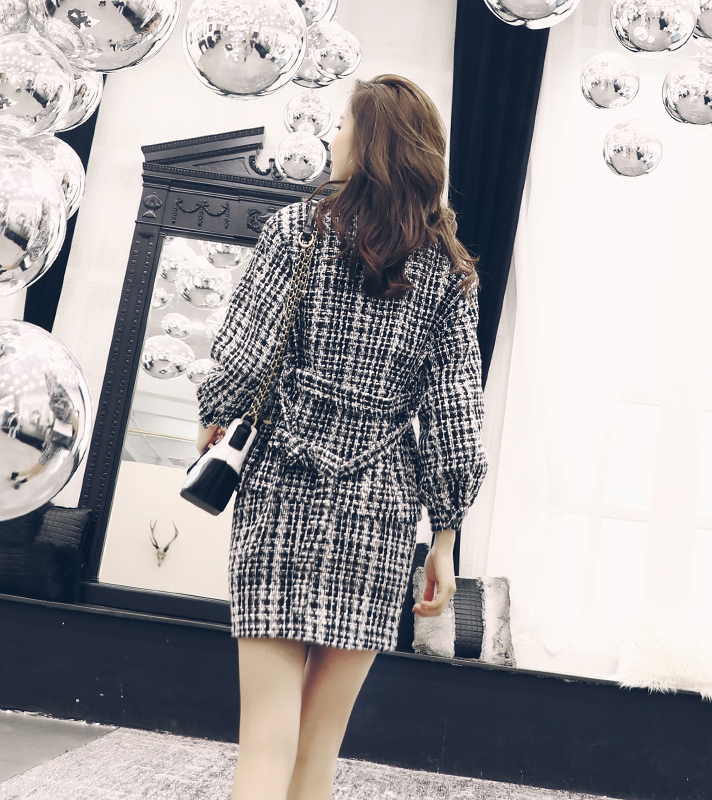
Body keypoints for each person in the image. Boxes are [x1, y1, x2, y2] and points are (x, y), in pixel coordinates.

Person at [195, 74, 489, 800]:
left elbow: (243, 360)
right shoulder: (449, 272)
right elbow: (455, 415)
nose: (331, 137)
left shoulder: (295, 232)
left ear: (371, 144)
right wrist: (445, 538)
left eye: (341, 126)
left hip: (281, 486)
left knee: (267, 740)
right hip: (379, 506)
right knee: (318, 746)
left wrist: (217, 415)